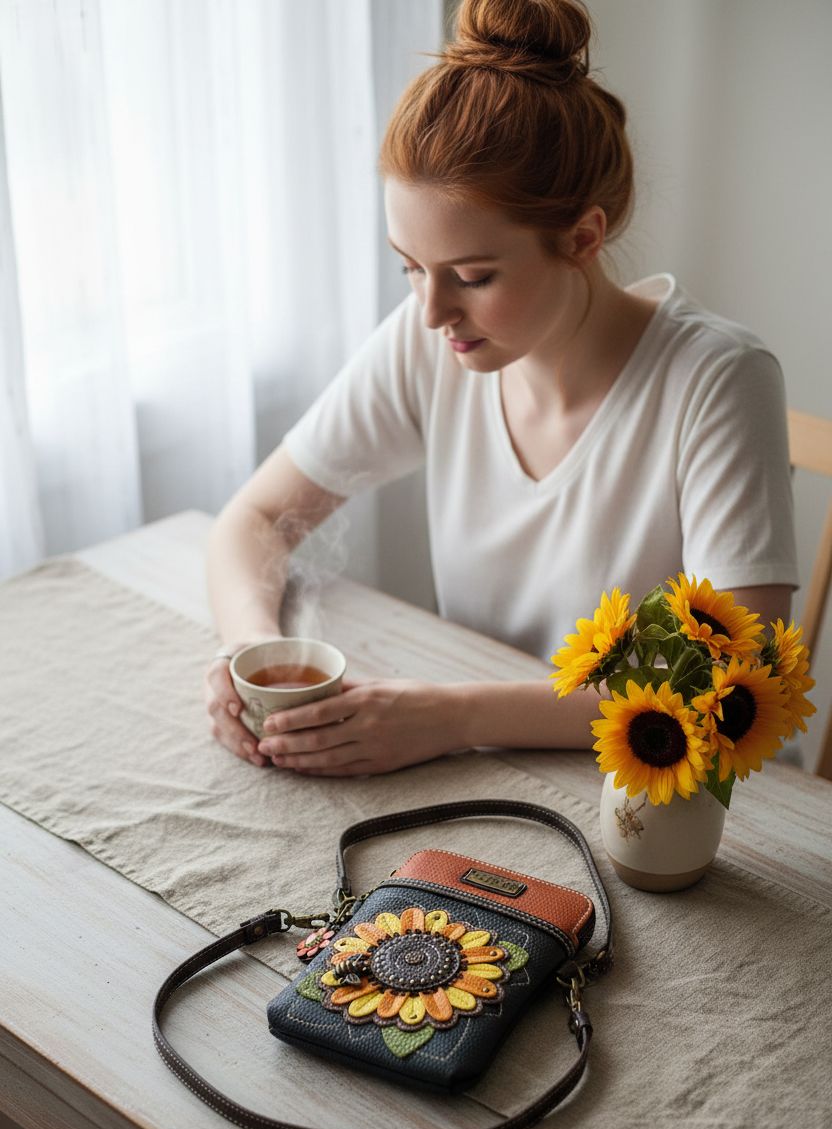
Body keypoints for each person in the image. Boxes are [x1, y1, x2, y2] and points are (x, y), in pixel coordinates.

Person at [205, 0, 798, 777]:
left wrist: (452, 716)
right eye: (410, 265)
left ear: (583, 238)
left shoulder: (715, 383)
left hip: (672, 794)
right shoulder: (436, 346)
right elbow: (255, 518)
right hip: (490, 766)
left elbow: (730, 680)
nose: (431, 311)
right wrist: (255, 649)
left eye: (474, 276)